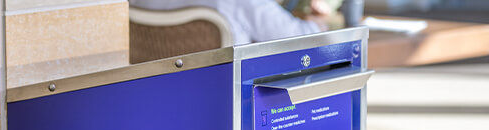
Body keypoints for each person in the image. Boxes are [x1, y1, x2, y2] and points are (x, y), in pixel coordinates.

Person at [129, 0, 342, 45]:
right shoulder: (243, 2)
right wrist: (320, 21)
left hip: (154, 97)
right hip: (230, 107)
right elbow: (305, 37)